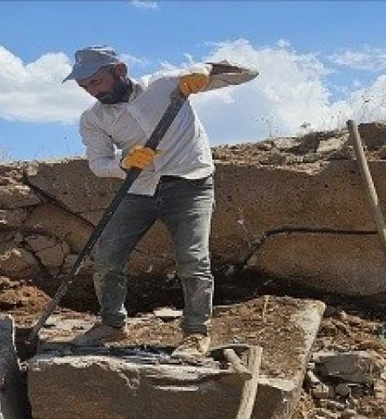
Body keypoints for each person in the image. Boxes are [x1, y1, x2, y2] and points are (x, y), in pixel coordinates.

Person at [65, 45, 257, 357]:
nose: (92, 92)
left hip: (190, 184)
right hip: (138, 189)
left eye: (97, 82)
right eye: (85, 87)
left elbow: (247, 73)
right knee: (107, 257)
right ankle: (113, 324)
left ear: (120, 70)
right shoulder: (93, 119)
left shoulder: (167, 85)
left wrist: (206, 69)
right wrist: (124, 162)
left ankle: (196, 332)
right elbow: (98, 163)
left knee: (193, 259)